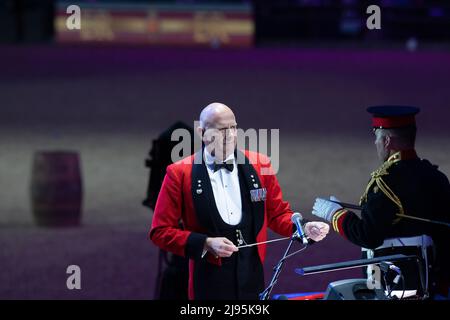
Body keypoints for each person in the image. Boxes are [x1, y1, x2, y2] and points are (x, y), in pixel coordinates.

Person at [149, 102, 329, 300]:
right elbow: (160, 231)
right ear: (202, 132)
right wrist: (206, 243)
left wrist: (303, 228)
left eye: (233, 128)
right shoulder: (180, 173)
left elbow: (277, 214)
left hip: (252, 275)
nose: (230, 136)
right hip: (208, 280)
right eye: (221, 130)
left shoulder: (260, 164)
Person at [312, 105, 450, 299]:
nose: (376, 143)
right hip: (433, 284)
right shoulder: (437, 177)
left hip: (393, 285)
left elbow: (368, 235)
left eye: (377, 138)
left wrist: (335, 214)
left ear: (386, 141)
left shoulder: (386, 182)